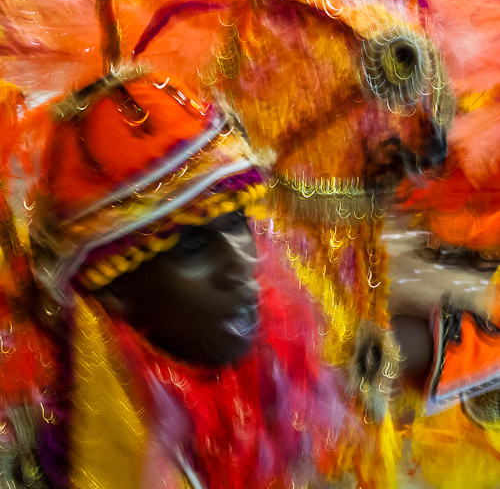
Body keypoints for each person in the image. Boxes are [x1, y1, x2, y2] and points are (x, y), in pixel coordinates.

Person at [27, 69, 345, 488]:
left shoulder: (285, 365)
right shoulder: (46, 451)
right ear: (113, 290)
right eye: (193, 246)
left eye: (237, 223)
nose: (243, 263)